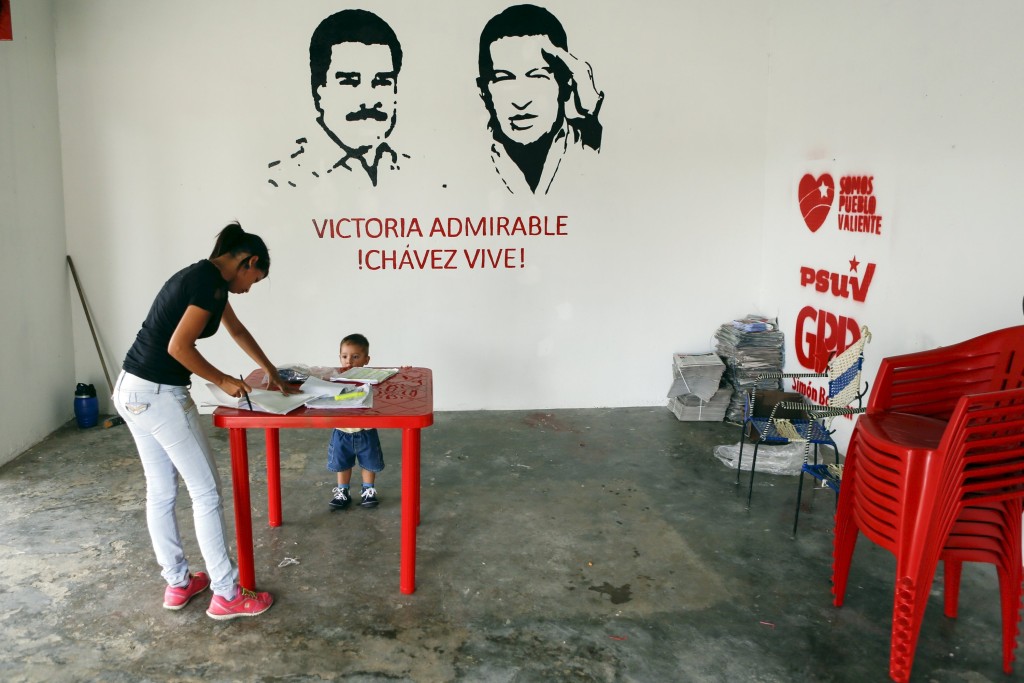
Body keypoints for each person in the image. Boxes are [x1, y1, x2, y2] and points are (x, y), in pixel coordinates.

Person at [114, 222, 294, 620]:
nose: (248, 289)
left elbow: (238, 330)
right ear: (248, 262)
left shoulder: (205, 277)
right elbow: (178, 347)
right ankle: (227, 594)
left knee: (161, 492)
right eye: (254, 279)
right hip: (160, 396)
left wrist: (271, 372)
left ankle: (178, 583)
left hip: (130, 390)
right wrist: (224, 380)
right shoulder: (208, 285)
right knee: (206, 493)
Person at [268, 9, 407, 188]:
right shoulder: (281, 181)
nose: (369, 99)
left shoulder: (420, 172)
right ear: (319, 91)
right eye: (350, 82)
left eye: (382, 81)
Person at [477, 4, 604, 195]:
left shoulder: (589, 147)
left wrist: (589, 125)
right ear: (484, 92)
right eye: (504, 78)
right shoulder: (463, 162)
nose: (520, 100)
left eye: (537, 76)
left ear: (566, 83)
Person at [327, 333, 385, 510]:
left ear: (366, 359)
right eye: (344, 356)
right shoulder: (335, 377)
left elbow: (390, 378)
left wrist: (405, 370)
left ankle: (368, 490)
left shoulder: (371, 376)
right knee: (342, 463)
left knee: (369, 463)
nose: (349, 361)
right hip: (342, 431)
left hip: (366, 430)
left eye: (355, 356)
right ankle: (343, 491)